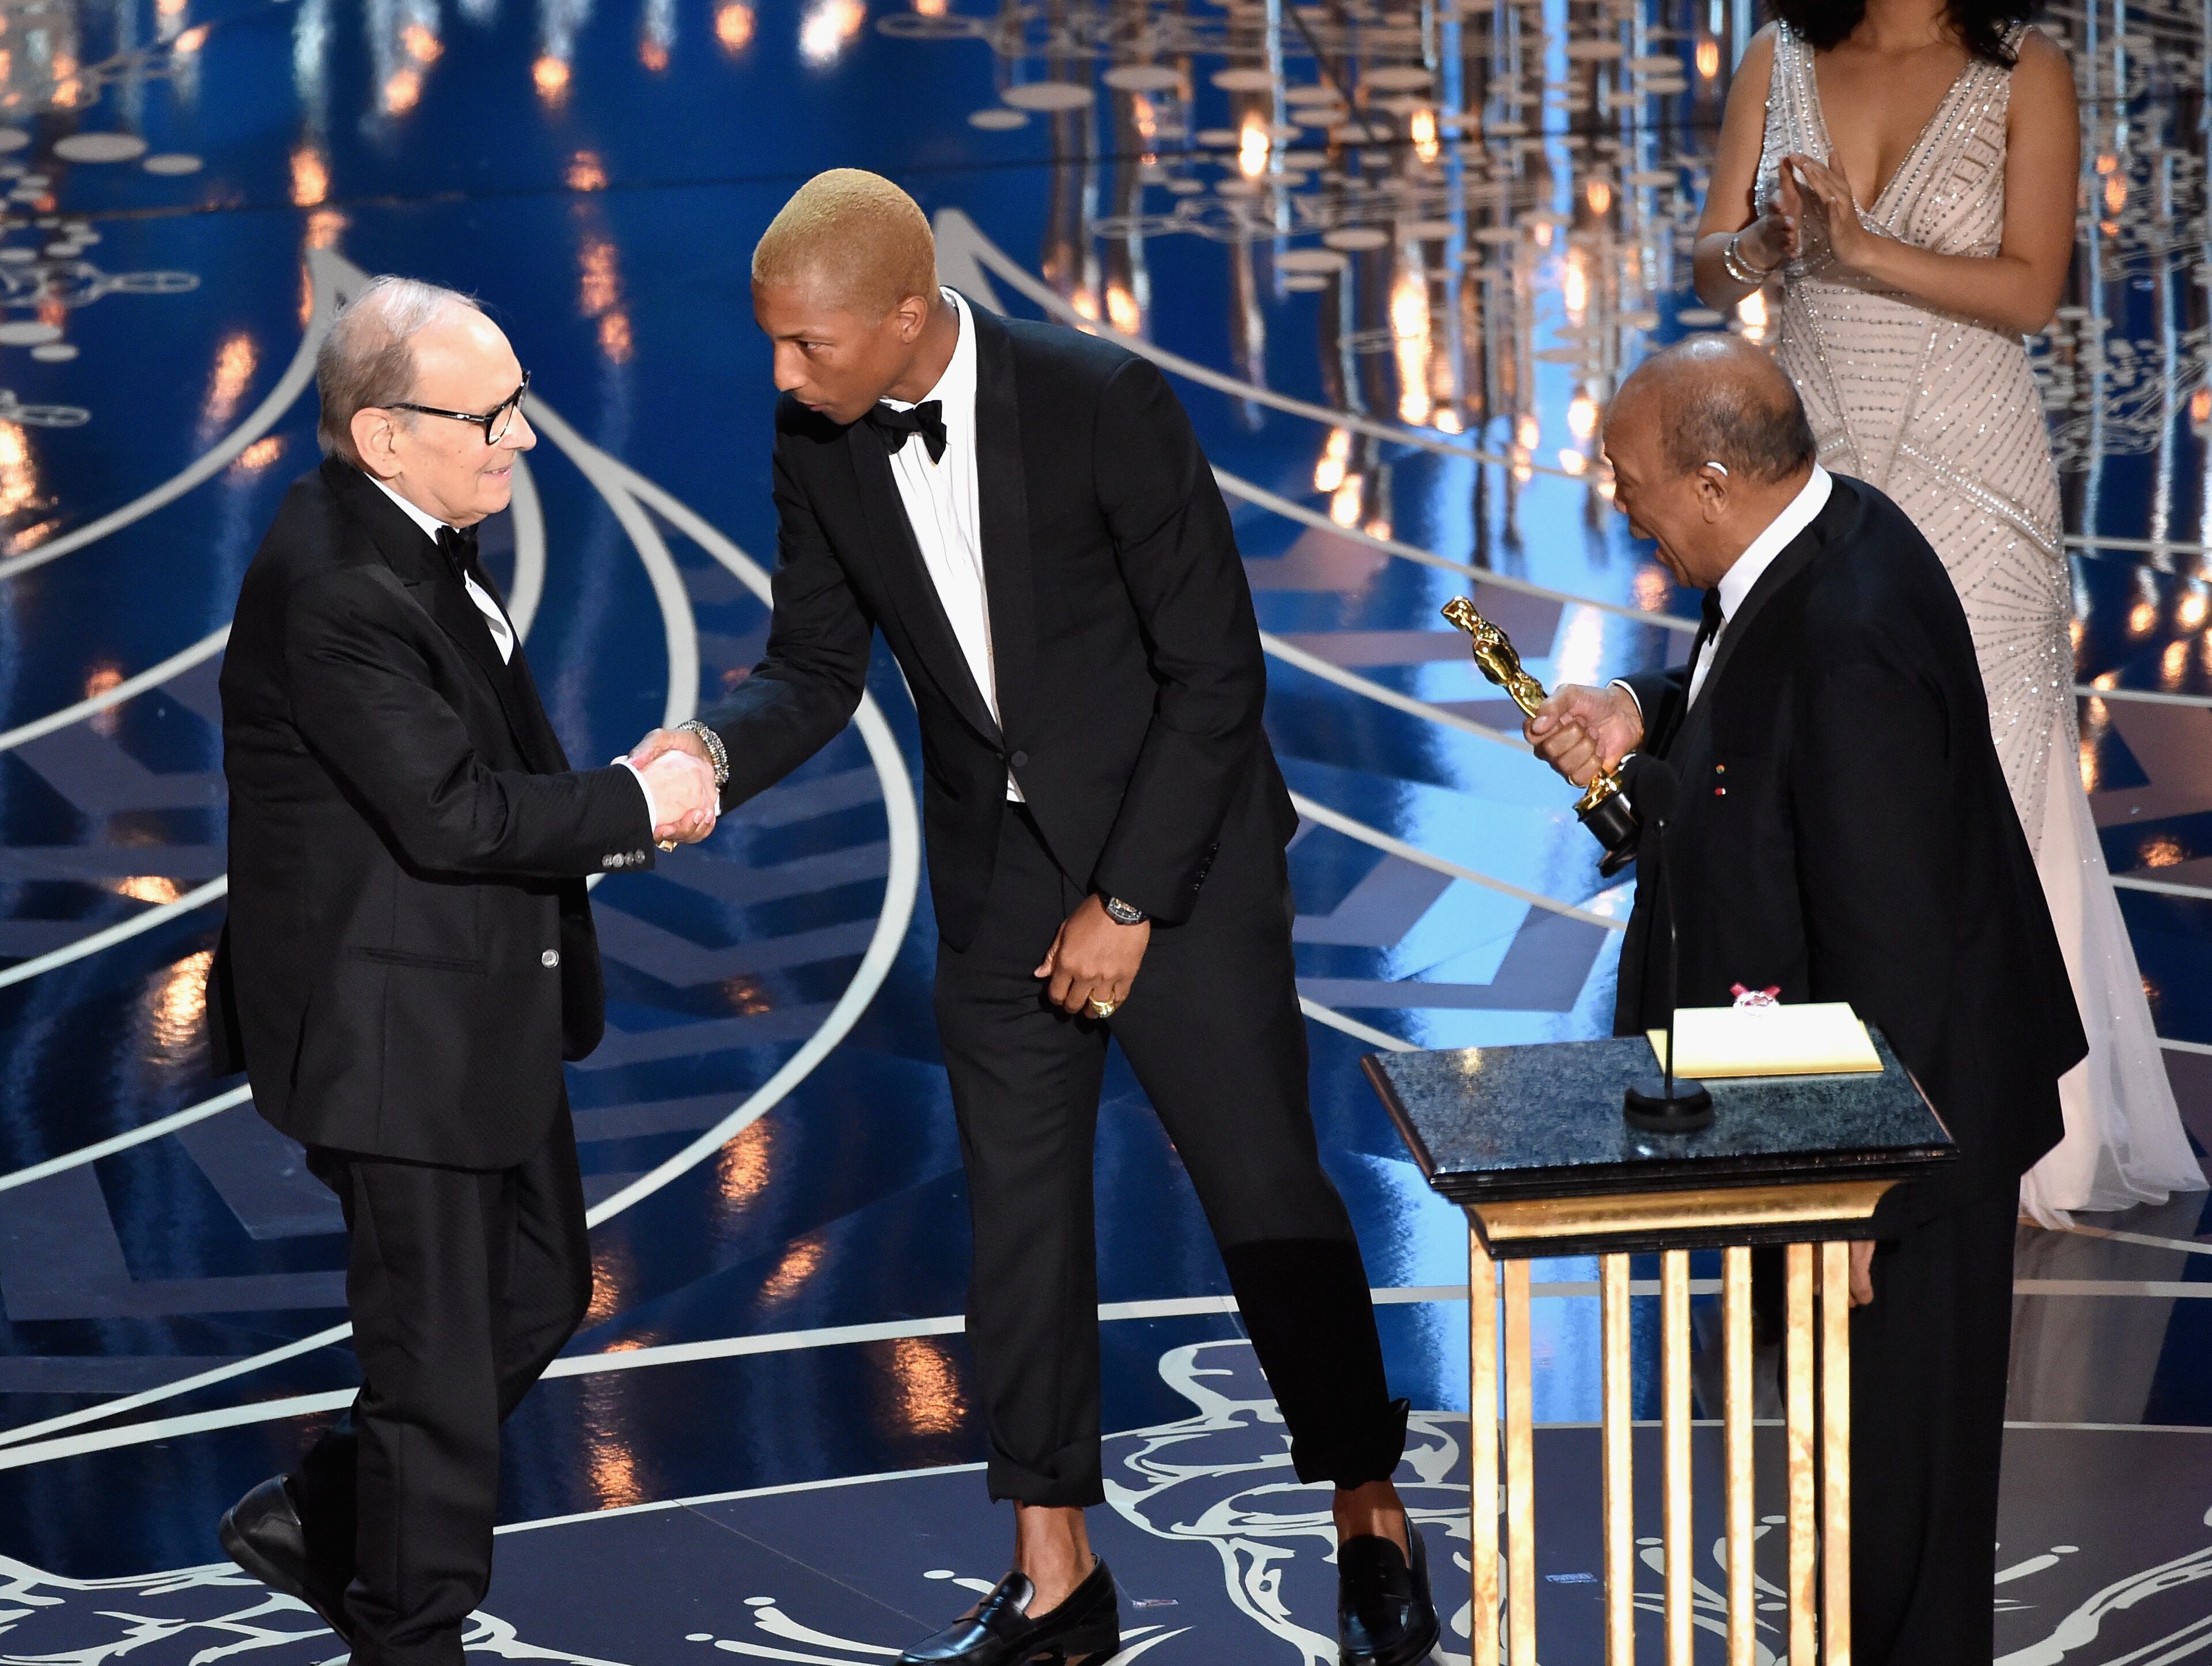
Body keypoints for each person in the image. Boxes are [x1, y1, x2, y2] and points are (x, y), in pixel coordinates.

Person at [631, 169, 1437, 1666]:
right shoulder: (816, 439)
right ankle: (1057, 1574)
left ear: (905, 315)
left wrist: (1128, 900)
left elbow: (1215, 676)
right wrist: (710, 750)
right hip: (997, 882)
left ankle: (1366, 1507)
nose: (782, 375)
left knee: (1269, 1192)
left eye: (807, 346)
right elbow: (813, 665)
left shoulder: (1104, 403)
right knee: (1018, 1227)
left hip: (1177, 867)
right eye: (774, 347)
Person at [1528, 336, 2086, 1665]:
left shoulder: (1850, 641)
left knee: (1902, 1515)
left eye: (1629, 481)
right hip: (1851, 1106)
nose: (1619, 504)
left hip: (1908, 1135)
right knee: (1859, 1490)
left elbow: (1889, 942)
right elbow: (1741, 711)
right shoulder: (1820, 536)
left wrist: (1856, 1191)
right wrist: (1641, 710)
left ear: (1715, 481)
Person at [207, 277, 718, 1666]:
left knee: (538, 1288)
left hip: (470, 999)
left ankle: (324, 1513)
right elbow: (455, 815)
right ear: (383, 436)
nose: (522, 438)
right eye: (491, 415)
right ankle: (407, 1629)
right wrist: (638, 799)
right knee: (436, 1367)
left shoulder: (416, 531)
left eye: (519, 406)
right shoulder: (341, 591)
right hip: (395, 1031)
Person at [1690, 0, 2202, 1224]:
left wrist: (1859, 250)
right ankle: (1822, 1103)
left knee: (1991, 786)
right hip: (1809, 467)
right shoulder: (1780, 58)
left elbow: (2032, 292)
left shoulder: (2026, 71)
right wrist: (1767, 241)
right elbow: (1713, 269)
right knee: (1801, 784)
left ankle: (2008, 1127)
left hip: (1979, 481)